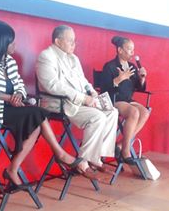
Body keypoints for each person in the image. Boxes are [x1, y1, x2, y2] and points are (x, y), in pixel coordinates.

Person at [0, 20, 91, 189]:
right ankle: (59, 154)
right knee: (37, 115)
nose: (14, 44)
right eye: (11, 41)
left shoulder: (9, 61)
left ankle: (13, 169)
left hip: (8, 109)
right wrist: (8, 98)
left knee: (37, 120)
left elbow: (19, 85)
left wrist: (19, 94)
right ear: (0, 41)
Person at [36, 25, 118, 176]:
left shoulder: (73, 58)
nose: (74, 45)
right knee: (97, 117)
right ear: (58, 41)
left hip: (81, 101)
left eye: (75, 41)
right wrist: (82, 98)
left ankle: (96, 156)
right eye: (70, 41)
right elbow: (52, 85)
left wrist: (92, 93)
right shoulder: (46, 56)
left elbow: (83, 80)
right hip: (60, 103)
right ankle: (84, 161)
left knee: (112, 111)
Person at [100, 36, 150, 164]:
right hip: (114, 99)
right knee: (134, 113)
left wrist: (142, 78)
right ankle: (126, 151)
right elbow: (104, 89)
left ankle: (121, 145)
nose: (132, 53)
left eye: (133, 50)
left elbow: (139, 87)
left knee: (144, 112)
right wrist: (118, 79)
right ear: (120, 50)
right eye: (129, 49)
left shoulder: (132, 66)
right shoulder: (110, 66)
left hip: (128, 100)